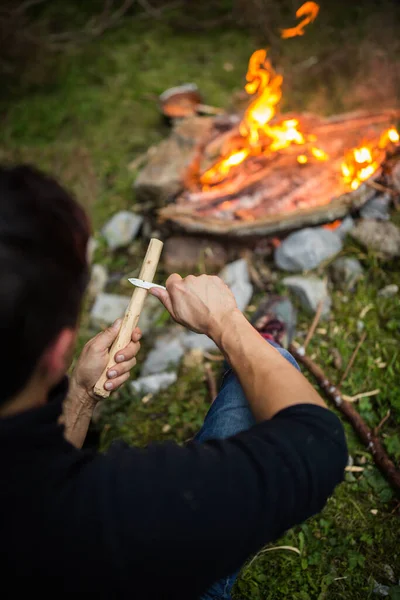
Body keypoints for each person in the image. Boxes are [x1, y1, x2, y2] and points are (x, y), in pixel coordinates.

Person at [0, 165, 347, 600]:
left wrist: (80, 396)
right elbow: (317, 444)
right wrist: (225, 323)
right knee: (266, 361)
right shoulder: (122, 510)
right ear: (59, 348)